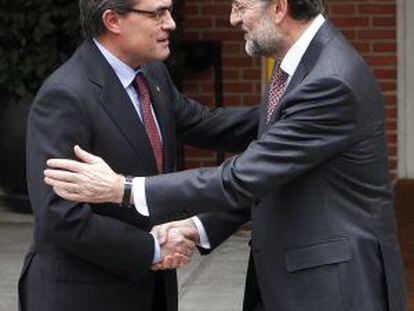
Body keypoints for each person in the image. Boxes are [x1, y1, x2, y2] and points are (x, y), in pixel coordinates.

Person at [44, 0, 408, 310]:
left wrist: (124, 188)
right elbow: (271, 176)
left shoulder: (328, 80)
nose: (234, 19)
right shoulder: (296, 66)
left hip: (332, 288)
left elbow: (242, 178)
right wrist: (198, 227)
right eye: (158, 12)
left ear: (279, 7)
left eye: (240, 6)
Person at [20, 0, 259, 310]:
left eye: (169, 10)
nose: (170, 23)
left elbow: (208, 125)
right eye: (157, 13)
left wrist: (289, 111)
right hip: (84, 295)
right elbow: (59, 215)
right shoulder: (66, 95)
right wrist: (152, 249)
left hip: (151, 291)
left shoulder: (151, 74)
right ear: (113, 20)